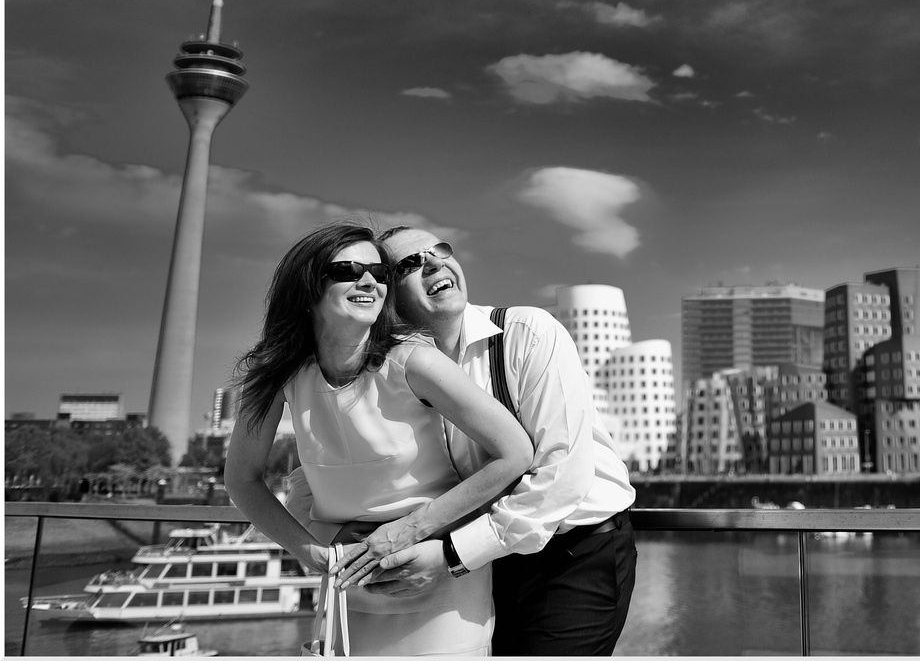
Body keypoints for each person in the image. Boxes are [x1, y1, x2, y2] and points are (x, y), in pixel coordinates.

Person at [291, 226, 637, 655]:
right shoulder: (391, 367)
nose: (434, 262)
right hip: (485, 560)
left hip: (570, 555)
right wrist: (327, 533)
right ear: (386, 296)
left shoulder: (526, 332)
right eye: (410, 264)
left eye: (441, 249)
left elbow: (563, 474)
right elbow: (320, 462)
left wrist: (452, 555)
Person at [224, 222, 534, 655]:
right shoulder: (278, 375)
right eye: (349, 270)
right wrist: (310, 550)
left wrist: (412, 531)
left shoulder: (415, 361)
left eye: (380, 273)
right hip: (345, 581)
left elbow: (515, 453)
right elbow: (242, 479)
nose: (369, 281)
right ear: (308, 286)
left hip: (432, 580)